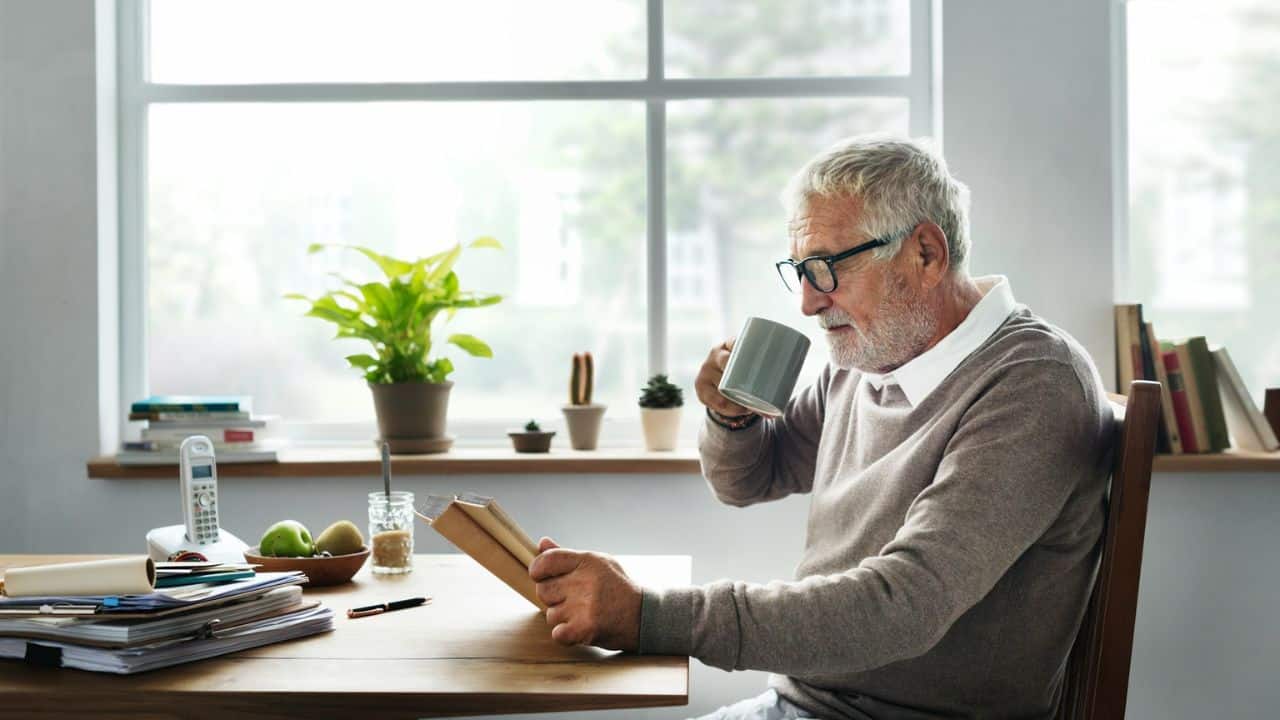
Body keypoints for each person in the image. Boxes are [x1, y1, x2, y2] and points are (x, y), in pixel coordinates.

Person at [528, 135, 1114, 719]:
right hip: (811, 703)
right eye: (801, 271)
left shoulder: (1033, 382)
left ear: (926, 254)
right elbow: (750, 479)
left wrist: (646, 616)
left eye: (827, 268)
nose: (808, 303)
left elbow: (903, 606)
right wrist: (730, 413)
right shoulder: (874, 356)